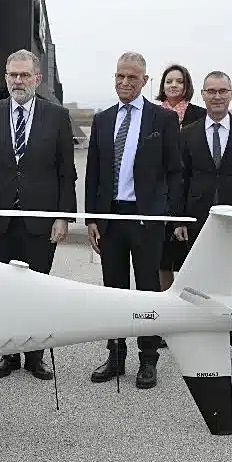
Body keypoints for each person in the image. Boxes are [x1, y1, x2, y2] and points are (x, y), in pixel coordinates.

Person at [0, 49, 77, 382]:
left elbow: (66, 172)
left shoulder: (56, 116)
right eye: (13, 75)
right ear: (6, 78)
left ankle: (35, 357)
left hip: (41, 222)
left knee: (37, 291)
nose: (18, 81)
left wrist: (63, 217)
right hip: (0, 221)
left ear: (37, 78)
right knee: (4, 292)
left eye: (24, 75)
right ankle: (8, 355)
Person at [84, 51, 183, 390]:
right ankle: (115, 356)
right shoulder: (103, 119)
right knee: (113, 291)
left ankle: (148, 359)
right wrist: (92, 218)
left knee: (147, 292)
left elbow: (175, 171)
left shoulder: (162, 119)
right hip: (110, 219)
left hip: (146, 219)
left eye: (131, 77)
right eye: (120, 76)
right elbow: (94, 172)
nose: (124, 82)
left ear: (145, 81)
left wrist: (166, 213)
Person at [173, 70, 232, 369]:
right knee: (196, 283)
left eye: (222, 91)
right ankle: (199, 339)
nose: (217, 96)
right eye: (211, 91)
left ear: (231, 94)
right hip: (197, 219)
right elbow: (181, 179)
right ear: (202, 94)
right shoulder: (188, 133)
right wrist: (179, 220)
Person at [155, 64, 206, 291]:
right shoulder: (153, 114)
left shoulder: (200, 115)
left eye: (179, 81)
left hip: (190, 194)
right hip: (162, 196)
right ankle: (164, 303)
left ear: (187, 86)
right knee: (162, 260)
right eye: (169, 81)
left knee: (191, 260)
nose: (173, 85)